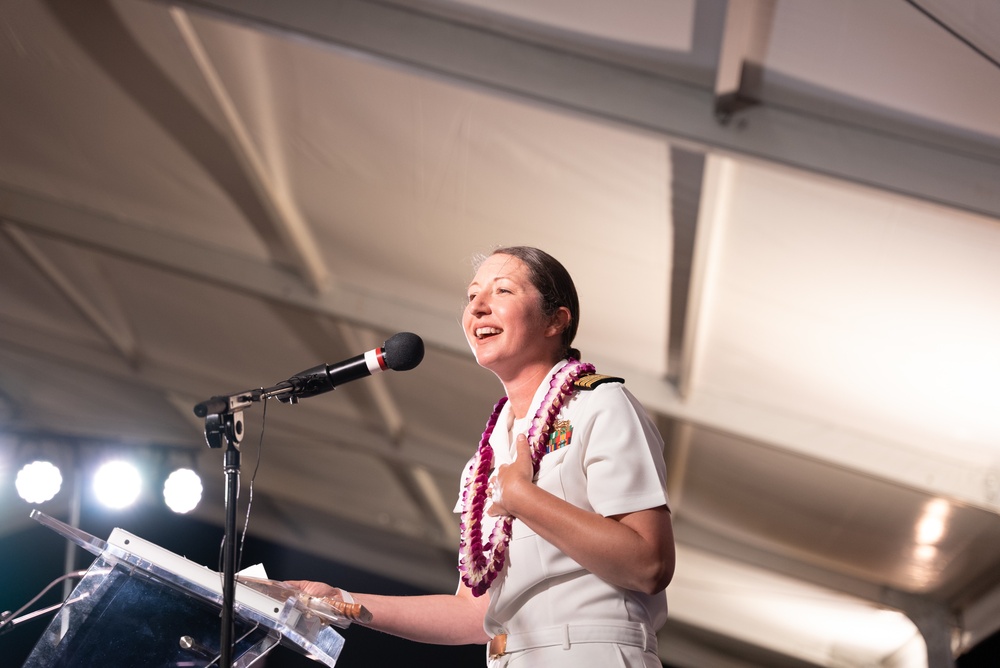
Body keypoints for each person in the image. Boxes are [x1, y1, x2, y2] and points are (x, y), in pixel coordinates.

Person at [289, 246, 674, 667]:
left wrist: (523, 498)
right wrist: (341, 600)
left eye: (502, 290)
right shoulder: (489, 454)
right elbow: (473, 615)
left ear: (556, 320)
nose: (478, 307)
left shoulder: (601, 405)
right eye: (472, 297)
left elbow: (649, 564)